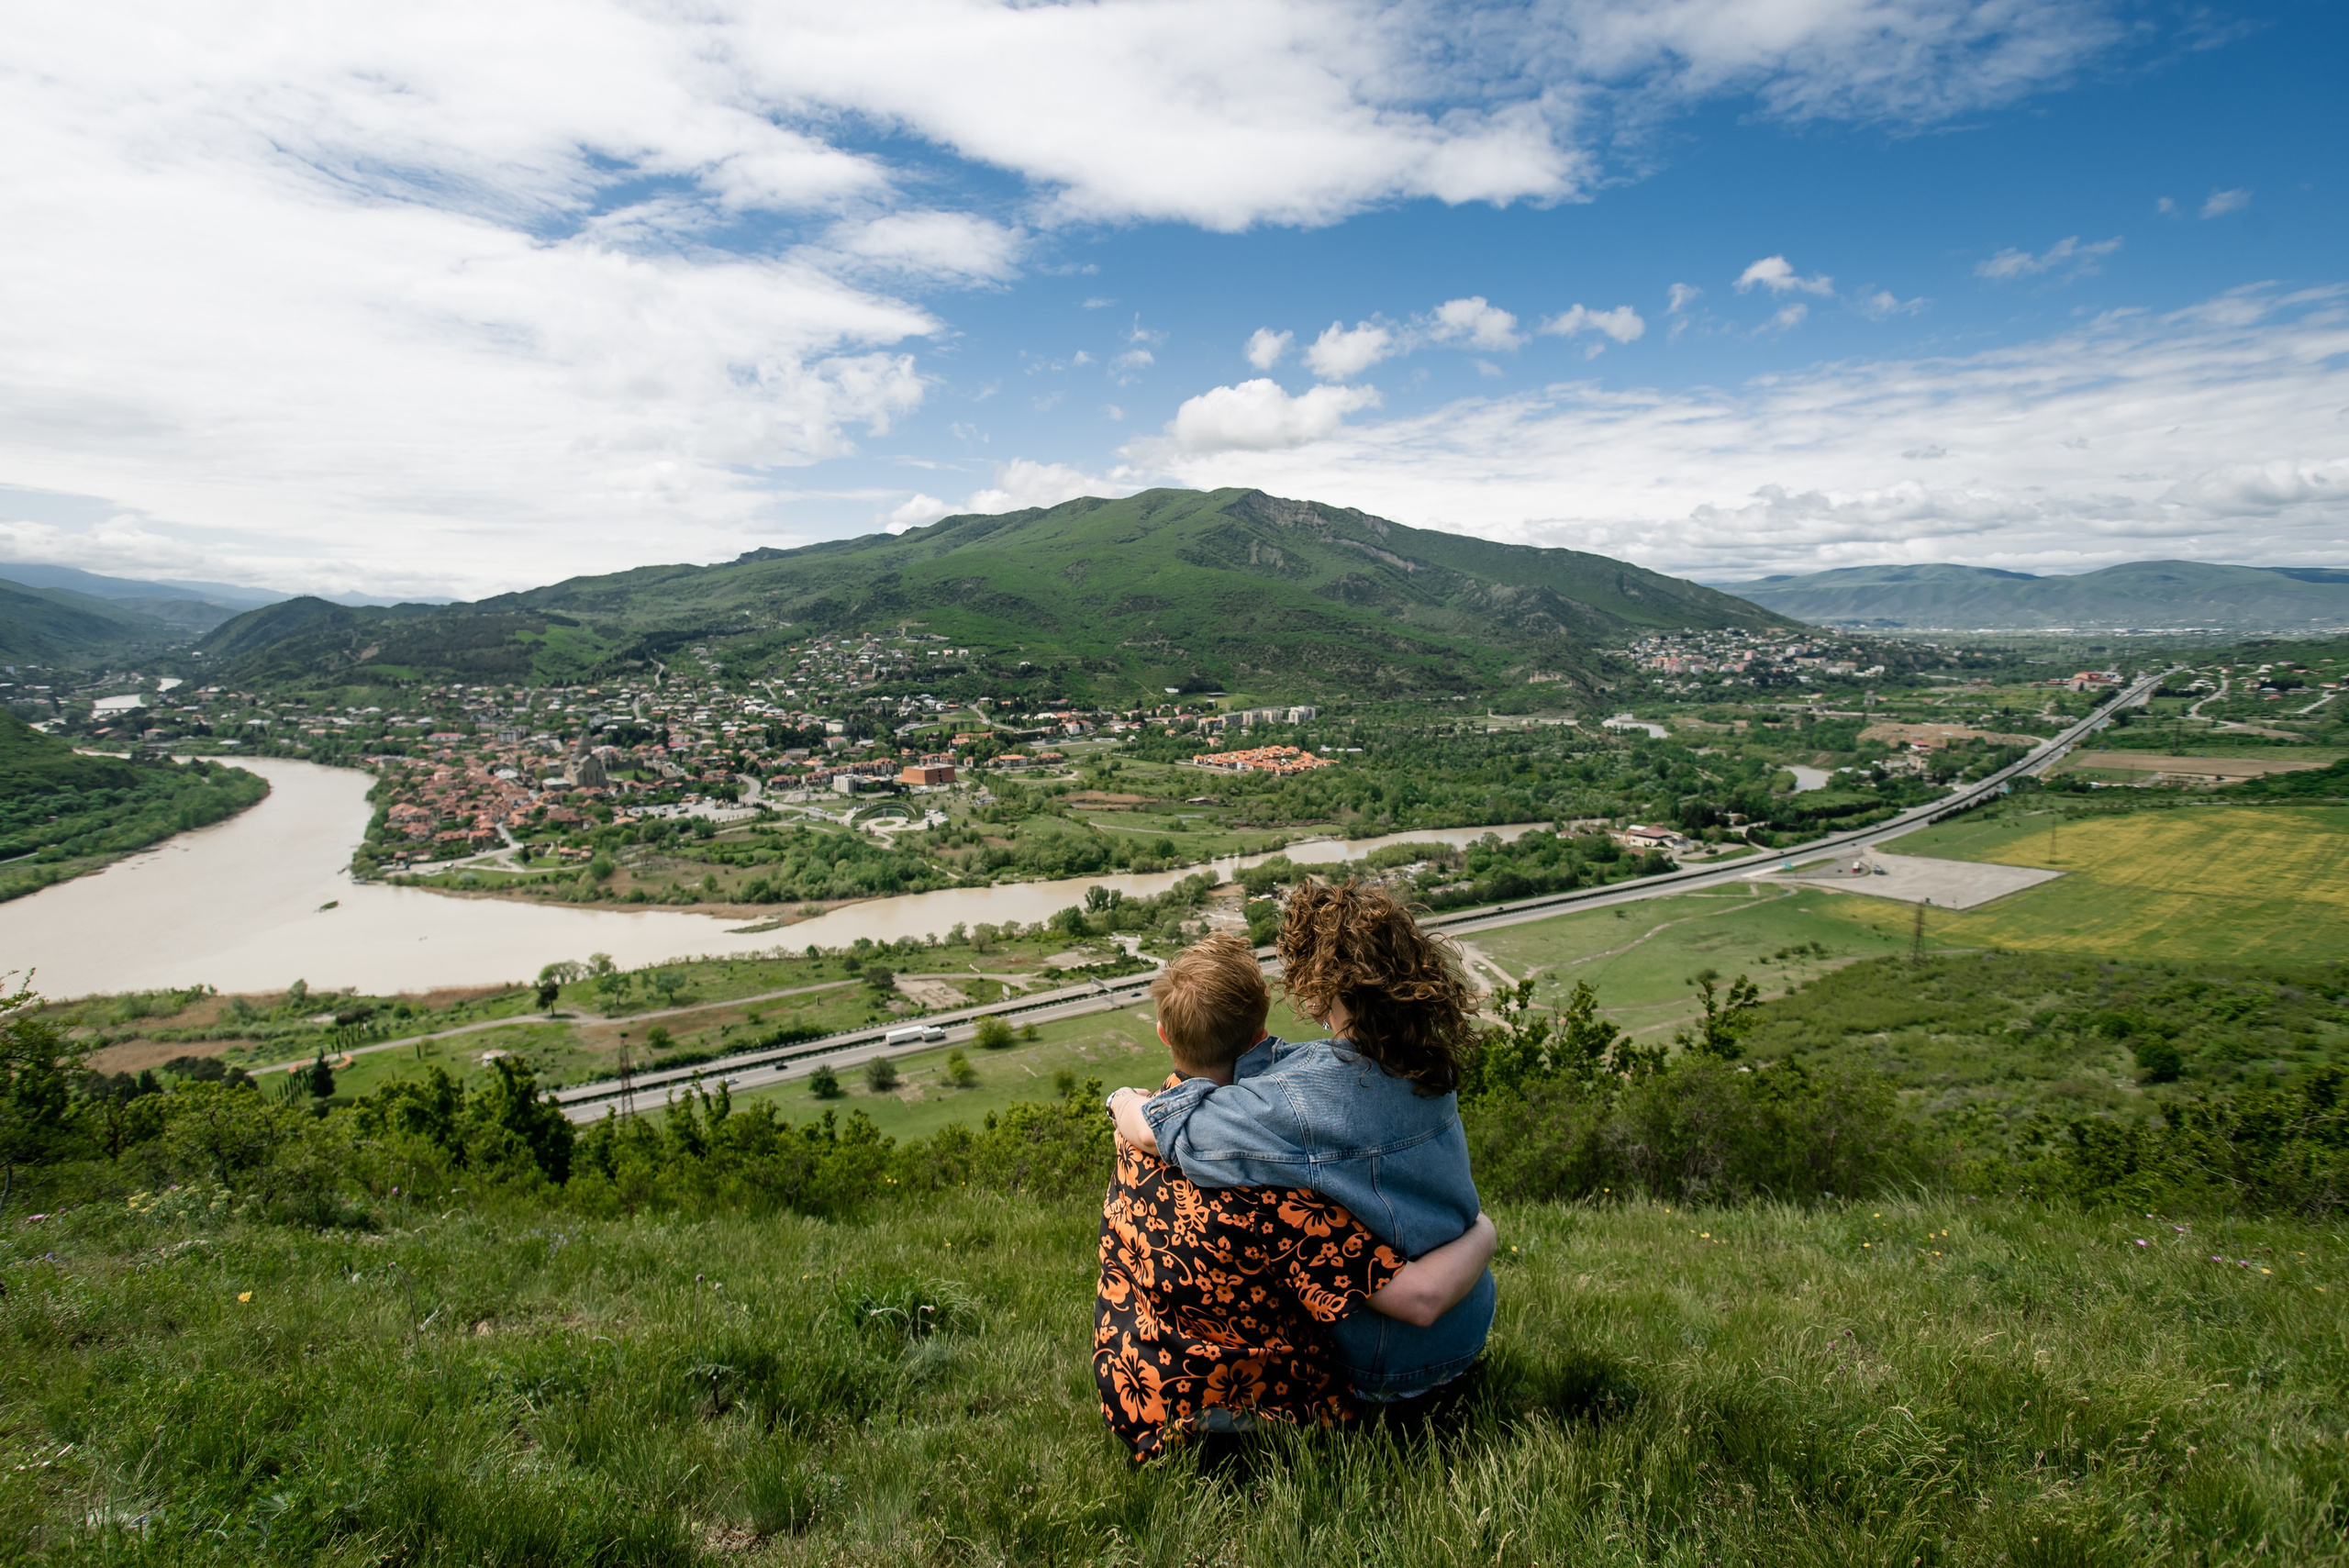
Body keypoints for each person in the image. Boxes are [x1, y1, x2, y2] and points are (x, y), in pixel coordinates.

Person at [1107, 894, 1492, 1402]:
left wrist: (1122, 1102)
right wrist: (1484, 1232)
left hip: (1387, 1356)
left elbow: (1171, 1129)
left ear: (1321, 991)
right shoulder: (1424, 1059)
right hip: (1470, 1316)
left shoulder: (1294, 1103)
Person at [1096, 1084, 1497, 1459]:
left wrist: (1121, 1098)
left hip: (1134, 1384)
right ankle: (1250, 1429)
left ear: (1166, 1032)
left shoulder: (1135, 1131)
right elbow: (1420, 1299)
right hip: (1248, 1395)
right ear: (1258, 1034)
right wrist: (1484, 1230)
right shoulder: (1272, 1186)